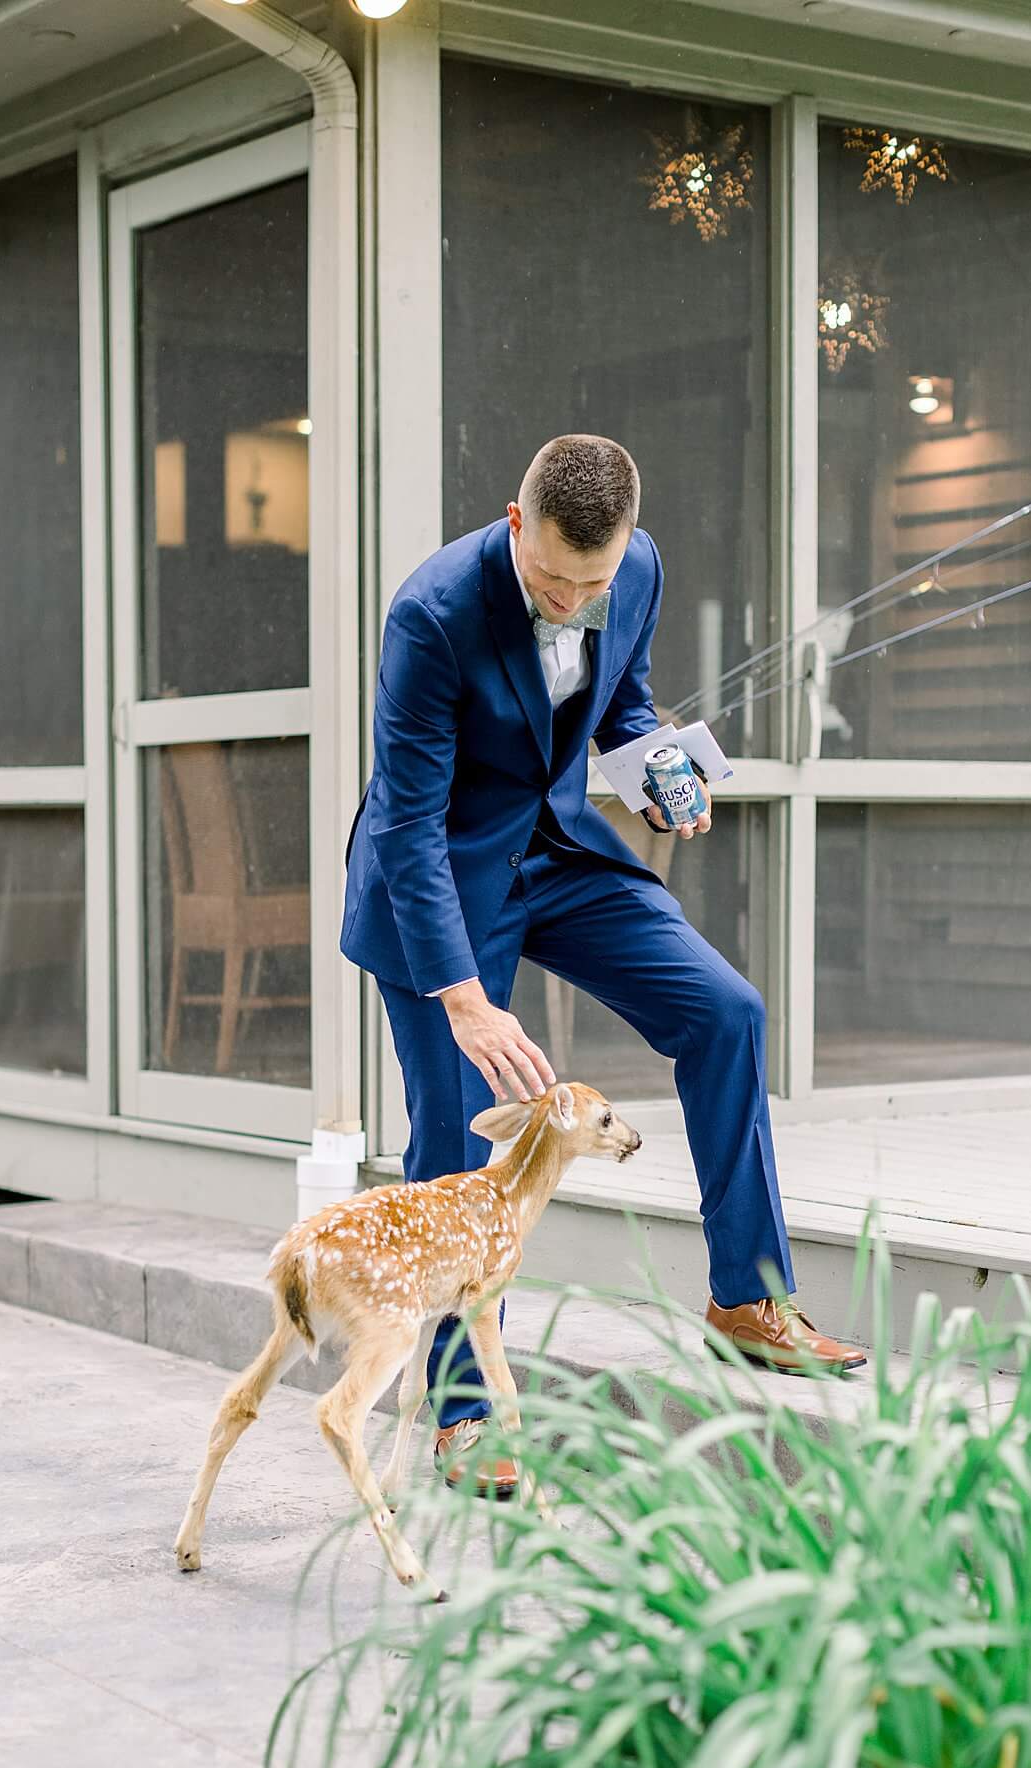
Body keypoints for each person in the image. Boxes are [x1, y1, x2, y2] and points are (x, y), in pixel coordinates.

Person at [342, 434, 865, 1495]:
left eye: (595, 582)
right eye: (552, 581)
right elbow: (403, 826)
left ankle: (746, 1296)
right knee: (453, 1135)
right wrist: (466, 999)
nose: (575, 601)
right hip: (436, 883)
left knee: (725, 1011)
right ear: (514, 521)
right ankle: (463, 1409)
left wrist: (659, 765)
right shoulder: (431, 614)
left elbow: (620, 699)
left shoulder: (638, 568)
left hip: (558, 847)